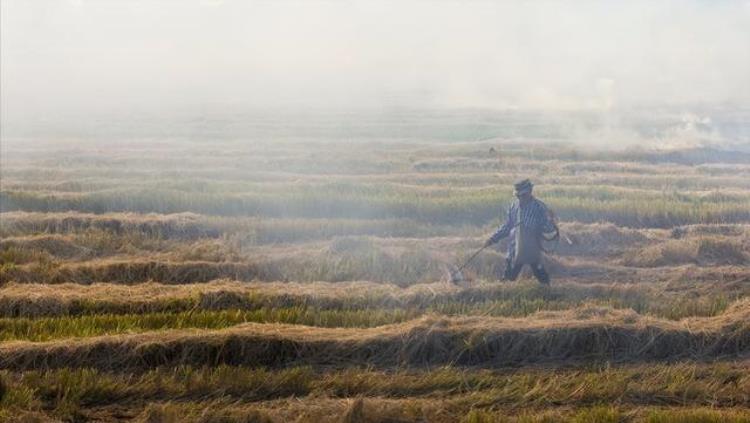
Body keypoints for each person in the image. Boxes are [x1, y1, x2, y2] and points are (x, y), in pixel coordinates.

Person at [484, 179, 557, 284]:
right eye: (518, 196)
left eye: (523, 195)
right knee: (509, 275)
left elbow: (549, 228)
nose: (520, 198)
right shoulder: (514, 206)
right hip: (515, 246)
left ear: (530, 192)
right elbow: (507, 226)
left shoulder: (539, 207)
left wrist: (551, 220)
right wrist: (492, 239)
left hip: (532, 245)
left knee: (539, 272)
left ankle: (548, 292)